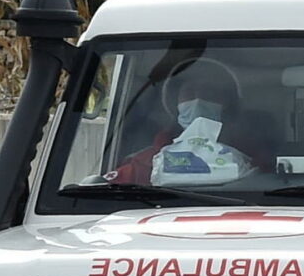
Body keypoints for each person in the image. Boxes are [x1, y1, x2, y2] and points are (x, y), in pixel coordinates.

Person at [110, 58, 265, 186]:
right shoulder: (145, 164)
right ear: (174, 104)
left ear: (228, 104)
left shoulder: (251, 162)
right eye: (189, 92)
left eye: (210, 93)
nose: (198, 100)